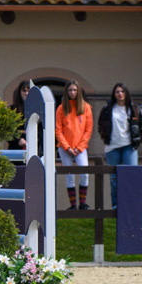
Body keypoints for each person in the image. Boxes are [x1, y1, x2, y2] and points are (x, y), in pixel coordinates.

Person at [98, 83, 142, 210]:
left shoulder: (134, 108)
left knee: (132, 176)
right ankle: (116, 206)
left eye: (122, 91)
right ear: (114, 94)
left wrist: (138, 140)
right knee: (114, 179)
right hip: (112, 147)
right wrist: (104, 136)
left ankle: (132, 205)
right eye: (117, 92)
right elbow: (100, 125)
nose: (120, 94)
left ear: (126, 93)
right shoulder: (108, 109)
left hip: (129, 147)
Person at [55, 80, 93, 210]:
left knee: (84, 173)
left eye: (75, 90)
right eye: (70, 90)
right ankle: (73, 206)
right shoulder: (61, 108)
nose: (72, 92)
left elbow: (88, 129)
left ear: (79, 91)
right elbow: (58, 130)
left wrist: (79, 147)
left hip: (80, 148)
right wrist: (67, 147)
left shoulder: (86, 107)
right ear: (66, 91)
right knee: (69, 174)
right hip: (65, 148)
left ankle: (82, 203)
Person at [7, 80, 32, 157]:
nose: (26, 93)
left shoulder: (37, 110)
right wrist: (18, 140)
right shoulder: (12, 109)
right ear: (20, 92)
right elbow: (8, 130)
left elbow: (41, 129)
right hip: (16, 148)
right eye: (24, 91)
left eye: (29, 91)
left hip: (34, 147)